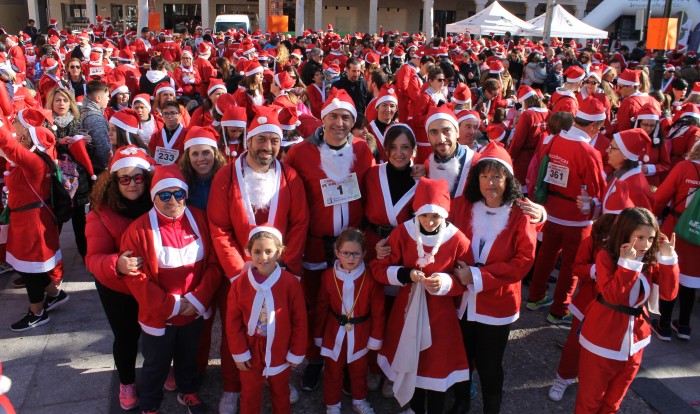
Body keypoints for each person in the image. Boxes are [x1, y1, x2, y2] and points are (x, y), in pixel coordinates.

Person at [207, 105, 309, 413]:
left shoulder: (290, 176)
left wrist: (284, 266)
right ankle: (232, 385)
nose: (267, 147)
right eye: (261, 140)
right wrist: (240, 273)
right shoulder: (226, 176)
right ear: (248, 140)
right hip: (238, 272)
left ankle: (278, 375)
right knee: (236, 330)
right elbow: (219, 227)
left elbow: (300, 222)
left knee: (281, 326)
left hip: (278, 271)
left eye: (274, 141)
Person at [285, 89, 375, 390]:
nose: (339, 122)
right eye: (333, 116)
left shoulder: (362, 151)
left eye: (346, 117)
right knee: (315, 305)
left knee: (350, 305)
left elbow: (374, 187)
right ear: (323, 119)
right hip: (315, 246)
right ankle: (315, 359)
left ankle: (349, 362)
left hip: (351, 249)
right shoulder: (300, 153)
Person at [121, 164, 221, 414]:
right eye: (164, 195)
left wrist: (198, 299)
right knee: (155, 364)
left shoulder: (200, 219)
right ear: (153, 197)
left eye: (179, 194)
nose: (173, 201)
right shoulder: (139, 229)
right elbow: (136, 278)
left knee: (188, 357)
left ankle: (187, 392)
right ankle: (150, 405)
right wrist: (173, 305)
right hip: (159, 315)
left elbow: (214, 264)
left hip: (193, 310)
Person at [449, 142, 538, 413]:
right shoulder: (462, 206)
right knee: (462, 358)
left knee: (489, 364)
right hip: (462, 301)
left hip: (496, 305)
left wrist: (476, 275)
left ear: (508, 179)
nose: (490, 182)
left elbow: (523, 261)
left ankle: (492, 408)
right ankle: (462, 403)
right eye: (484, 175)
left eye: (497, 176)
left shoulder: (520, 213)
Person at [370, 177, 470, 414]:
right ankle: (413, 408)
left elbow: (466, 279)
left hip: (441, 317)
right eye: (424, 215)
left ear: (444, 214)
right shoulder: (402, 233)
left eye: (435, 216)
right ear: (416, 214)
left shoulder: (457, 239)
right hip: (406, 312)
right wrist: (405, 274)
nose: (430, 221)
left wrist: (446, 282)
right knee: (410, 360)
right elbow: (379, 269)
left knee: (435, 365)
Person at [575, 207, 678, 413]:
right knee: (590, 401)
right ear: (625, 234)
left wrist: (668, 259)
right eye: (640, 237)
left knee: (613, 402)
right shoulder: (606, 257)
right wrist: (628, 264)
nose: (646, 245)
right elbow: (614, 295)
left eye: (650, 238)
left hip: (635, 342)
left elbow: (668, 294)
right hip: (601, 338)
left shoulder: (650, 260)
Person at [85, 146, 155, 410]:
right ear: (114, 181)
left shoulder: (159, 201)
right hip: (118, 288)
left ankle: (162, 370)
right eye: (124, 178)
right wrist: (118, 263)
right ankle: (126, 380)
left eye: (138, 177)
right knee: (126, 337)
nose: (132, 184)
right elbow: (93, 259)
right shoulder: (100, 213)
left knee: (158, 335)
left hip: (152, 286)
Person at [526, 96, 607, 325]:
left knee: (545, 256)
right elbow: (597, 189)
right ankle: (559, 310)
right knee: (571, 265)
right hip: (576, 218)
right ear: (593, 126)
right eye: (599, 128)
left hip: (551, 209)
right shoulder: (588, 152)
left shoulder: (554, 140)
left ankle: (535, 296)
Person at [226, 226, 307, 414]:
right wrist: (239, 352)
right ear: (249, 253)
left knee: (280, 391)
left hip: (279, 347)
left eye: (269, 251)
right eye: (257, 251)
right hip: (250, 348)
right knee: (250, 392)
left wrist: (296, 351)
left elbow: (300, 320)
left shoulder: (290, 283)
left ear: (279, 252)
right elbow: (233, 321)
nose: (263, 257)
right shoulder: (240, 283)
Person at [2, 112, 68, 332]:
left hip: (32, 225)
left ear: (31, 139)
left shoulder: (35, 161)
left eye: (23, 136)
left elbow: (8, 146)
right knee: (33, 268)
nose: (19, 139)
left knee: (31, 271)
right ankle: (55, 294)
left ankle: (37, 313)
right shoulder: (36, 160)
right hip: (28, 221)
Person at [315, 228, 384, 414]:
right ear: (337, 253)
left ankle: (359, 401)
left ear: (364, 254)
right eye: (346, 253)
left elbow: (378, 311)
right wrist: (318, 335)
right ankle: (332, 404)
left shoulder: (370, 278)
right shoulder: (328, 276)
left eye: (356, 253)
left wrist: (375, 337)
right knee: (332, 370)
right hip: (333, 331)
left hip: (361, 332)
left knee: (359, 370)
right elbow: (321, 307)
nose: (351, 258)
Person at [651, 139, 700, 341]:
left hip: (676, 229)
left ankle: (663, 324)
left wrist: (651, 215)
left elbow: (661, 196)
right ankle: (684, 325)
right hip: (698, 237)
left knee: (670, 273)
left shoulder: (685, 168)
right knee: (691, 280)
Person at [47, 87, 92, 259]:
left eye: (65, 100)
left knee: (79, 217)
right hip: (55, 178)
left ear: (70, 103)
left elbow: (88, 151)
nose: (61, 104)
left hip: (77, 177)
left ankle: (85, 254)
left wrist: (86, 142)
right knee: (55, 217)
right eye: (58, 100)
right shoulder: (46, 122)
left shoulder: (78, 121)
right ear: (52, 102)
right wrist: (57, 142)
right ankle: (50, 257)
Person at [423, 106, 480, 198]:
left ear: (457, 133)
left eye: (446, 131)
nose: (441, 139)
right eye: (434, 132)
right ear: (428, 138)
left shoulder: (477, 162)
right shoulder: (427, 166)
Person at [600, 129, 654, 213]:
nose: (607, 150)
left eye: (612, 147)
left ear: (625, 155)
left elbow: (642, 223)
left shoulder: (637, 188)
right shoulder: (620, 173)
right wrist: (593, 204)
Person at [508, 85, 549, 189]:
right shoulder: (549, 113)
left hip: (525, 158)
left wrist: (510, 157)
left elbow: (518, 139)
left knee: (521, 186)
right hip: (543, 156)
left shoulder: (527, 115)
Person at [633, 104, 671, 188]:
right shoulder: (628, 138)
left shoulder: (660, 141)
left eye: (652, 125)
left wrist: (650, 168)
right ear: (638, 123)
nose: (648, 129)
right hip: (631, 182)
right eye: (645, 125)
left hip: (651, 184)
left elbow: (666, 165)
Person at [80, 80, 113, 174]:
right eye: (107, 96)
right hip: (98, 170)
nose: (109, 99)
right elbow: (103, 148)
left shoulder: (84, 110)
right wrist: (108, 167)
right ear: (98, 98)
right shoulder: (96, 119)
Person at [148, 100, 188, 165]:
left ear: (180, 115)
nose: (169, 116)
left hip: (180, 172)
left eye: (173, 113)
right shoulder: (156, 136)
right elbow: (151, 156)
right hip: (159, 171)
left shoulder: (187, 135)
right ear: (162, 116)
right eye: (166, 113)